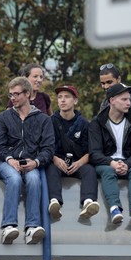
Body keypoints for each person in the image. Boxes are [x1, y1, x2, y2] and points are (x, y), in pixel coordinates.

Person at [0, 77, 54, 245]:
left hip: (31, 162)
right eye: (11, 94)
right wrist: (10, 159)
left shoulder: (43, 119)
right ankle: (8, 226)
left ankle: (32, 227)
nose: (12, 98)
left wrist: (36, 162)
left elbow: (49, 149)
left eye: (16, 94)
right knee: (14, 179)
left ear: (27, 94)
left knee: (35, 179)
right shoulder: (4, 117)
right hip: (7, 161)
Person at [89, 83, 131, 224]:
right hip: (107, 163)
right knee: (108, 172)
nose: (129, 103)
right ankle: (115, 208)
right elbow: (94, 153)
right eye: (124, 99)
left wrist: (127, 164)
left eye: (129, 99)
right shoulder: (97, 123)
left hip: (129, 162)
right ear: (112, 100)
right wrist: (112, 163)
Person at [45, 85, 99, 220]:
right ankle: (54, 202)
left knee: (89, 170)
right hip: (57, 161)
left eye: (67, 97)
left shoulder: (84, 123)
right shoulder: (50, 122)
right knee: (50, 168)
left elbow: (90, 151)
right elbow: (45, 147)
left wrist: (80, 163)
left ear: (75, 101)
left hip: (78, 162)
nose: (62, 100)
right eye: (60, 97)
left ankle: (88, 202)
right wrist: (55, 159)